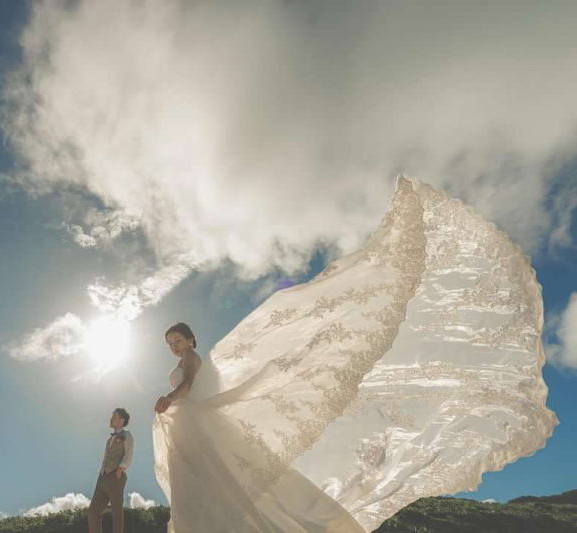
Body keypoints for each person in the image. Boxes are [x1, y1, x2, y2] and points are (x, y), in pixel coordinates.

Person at [152, 177, 557, 532]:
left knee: (214, 486)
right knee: (209, 486)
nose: (174, 347)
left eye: (178, 340)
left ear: (190, 340)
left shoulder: (192, 361)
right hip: (189, 426)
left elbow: (190, 385)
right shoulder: (187, 361)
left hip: (191, 422)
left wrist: (169, 398)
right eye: (170, 343)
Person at [88, 407, 134, 533]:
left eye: (114, 417)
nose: (111, 419)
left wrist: (120, 469)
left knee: (116, 511)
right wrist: (101, 473)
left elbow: (128, 454)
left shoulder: (127, 435)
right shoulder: (109, 440)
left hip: (116, 476)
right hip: (103, 478)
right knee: (93, 511)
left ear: (121, 420)